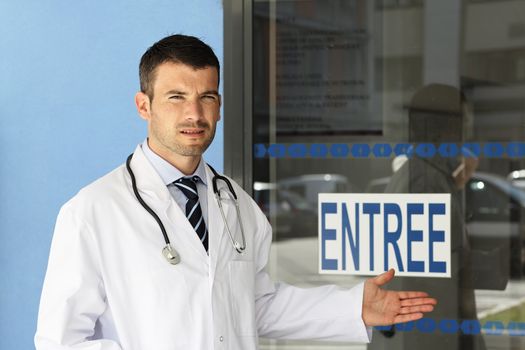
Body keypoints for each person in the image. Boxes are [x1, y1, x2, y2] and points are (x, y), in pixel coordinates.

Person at [35, 34, 436, 350]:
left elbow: (255, 305)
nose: (194, 114)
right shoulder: (93, 211)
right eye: (176, 98)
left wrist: (351, 308)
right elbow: (61, 341)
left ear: (220, 106)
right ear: (144, 105)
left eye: (206, 97)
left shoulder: (238, 205)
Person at [369, 84, 486, 350]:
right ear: (441, 130)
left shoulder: (429, 178)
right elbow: (433, 275)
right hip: (425, 334)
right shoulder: (423, 185)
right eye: (462, 125)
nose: (465, 136)